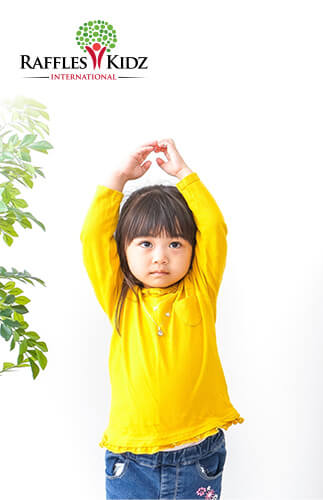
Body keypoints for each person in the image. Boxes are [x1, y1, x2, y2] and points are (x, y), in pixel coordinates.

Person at [81, 139, 241, 499]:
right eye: (145, 243)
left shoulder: (200, 291)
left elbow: (213, 228)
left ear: (191, 250)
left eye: (175, 244)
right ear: (123, 249)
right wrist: (118, 178)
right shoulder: (121, 299)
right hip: (130, 461)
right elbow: (92, 236)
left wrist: (185, 175)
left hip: (197, 455)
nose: (160, 257)